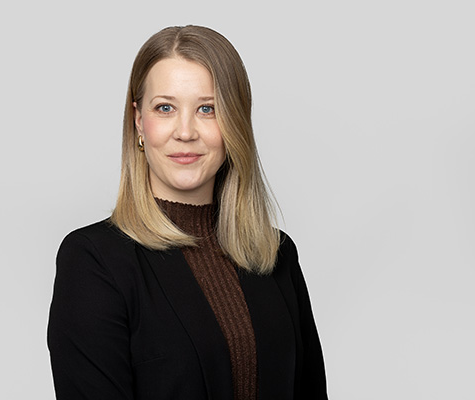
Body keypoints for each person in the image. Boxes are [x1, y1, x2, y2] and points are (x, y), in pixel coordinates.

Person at [47, 25, 328, 400]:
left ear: (235, 122)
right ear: (139, 121)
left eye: (207, 109)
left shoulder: (276, 254)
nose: (185, 132)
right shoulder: (94, 260)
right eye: (165, 108)